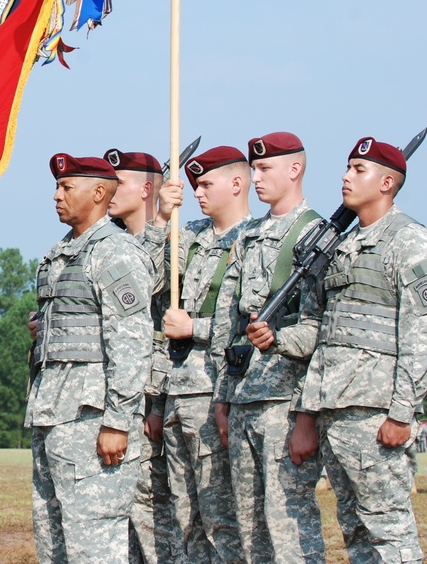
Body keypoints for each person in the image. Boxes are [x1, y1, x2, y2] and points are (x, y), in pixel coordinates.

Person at [300, 137, 426, 563]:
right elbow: (329, 334)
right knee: (353, 530)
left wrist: (402, 413)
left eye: (358, 169)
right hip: (337, 409)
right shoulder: (341, 246)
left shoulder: (408, 242)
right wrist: (312, 410)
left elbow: (419, 335)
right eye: (348, 167)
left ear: (387, 182)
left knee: (389, 531)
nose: (345, 176)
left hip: (376, 413)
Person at [27, 152, 154, 564]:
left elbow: (132, 342)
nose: (56, 196)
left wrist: (118, 420)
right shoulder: (61, 254)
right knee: (55, 542)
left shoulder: (114, 253)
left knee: (95, 544)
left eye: (67, 187)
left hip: (92, 420)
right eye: (57, 187)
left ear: (99, 192)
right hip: (53, 416)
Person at [211, 132, 325, 564]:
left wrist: (307, 414)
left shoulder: (315, 234)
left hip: (285, 401)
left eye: (265, 169)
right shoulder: (248, 235)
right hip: (243, 397)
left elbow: (321, 330)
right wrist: (223, 396)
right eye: (253, 168)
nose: (255, 177)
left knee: (290, 530)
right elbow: (229, 325)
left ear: (294, 169)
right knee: (249, 531)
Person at [154, 146, 251, 564]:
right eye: (194, 185)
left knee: (220, 519)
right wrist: (160, 218)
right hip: (178, 390)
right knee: (184, 517)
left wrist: (196, 328)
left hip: (217, 393)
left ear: (236, 182)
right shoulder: (188, 235)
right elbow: (148, 277)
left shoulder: (255, 240)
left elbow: (253, 326)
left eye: (206, 183)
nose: (197, 193)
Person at [102, 148, 181, 564]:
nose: (109, 189)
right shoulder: (109, 241)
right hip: (117, 393)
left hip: (156, 392)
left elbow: (146, 282)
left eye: (120, 181)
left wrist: (163, 221)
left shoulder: (175, 241)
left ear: (147, 188)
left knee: (155, 511)